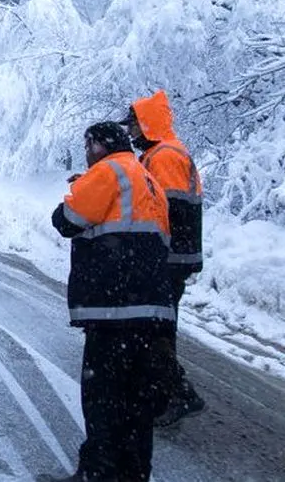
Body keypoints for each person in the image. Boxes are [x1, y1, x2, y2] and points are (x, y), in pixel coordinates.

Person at [48, 122, 174, 482]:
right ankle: (133, 474)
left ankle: (97, 472)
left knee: (103, 395)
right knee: (138, 400)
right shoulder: (149, 180)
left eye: (88, 146)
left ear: (100, 146)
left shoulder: (108, 171)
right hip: (152, 309)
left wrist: (76, 190)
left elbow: (67, 219)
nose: (86, 154)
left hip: (113, 306)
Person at [123, 90, 206, 427]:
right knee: (155, 327)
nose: (130, 133)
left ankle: (177, 394)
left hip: (168, 260)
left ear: (147, 124)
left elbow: (165, 211)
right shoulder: (158, 154)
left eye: (133, 125)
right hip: (170, 258)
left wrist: (151, 255)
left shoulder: (165, 157)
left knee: (154, 329)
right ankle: (161, 394)